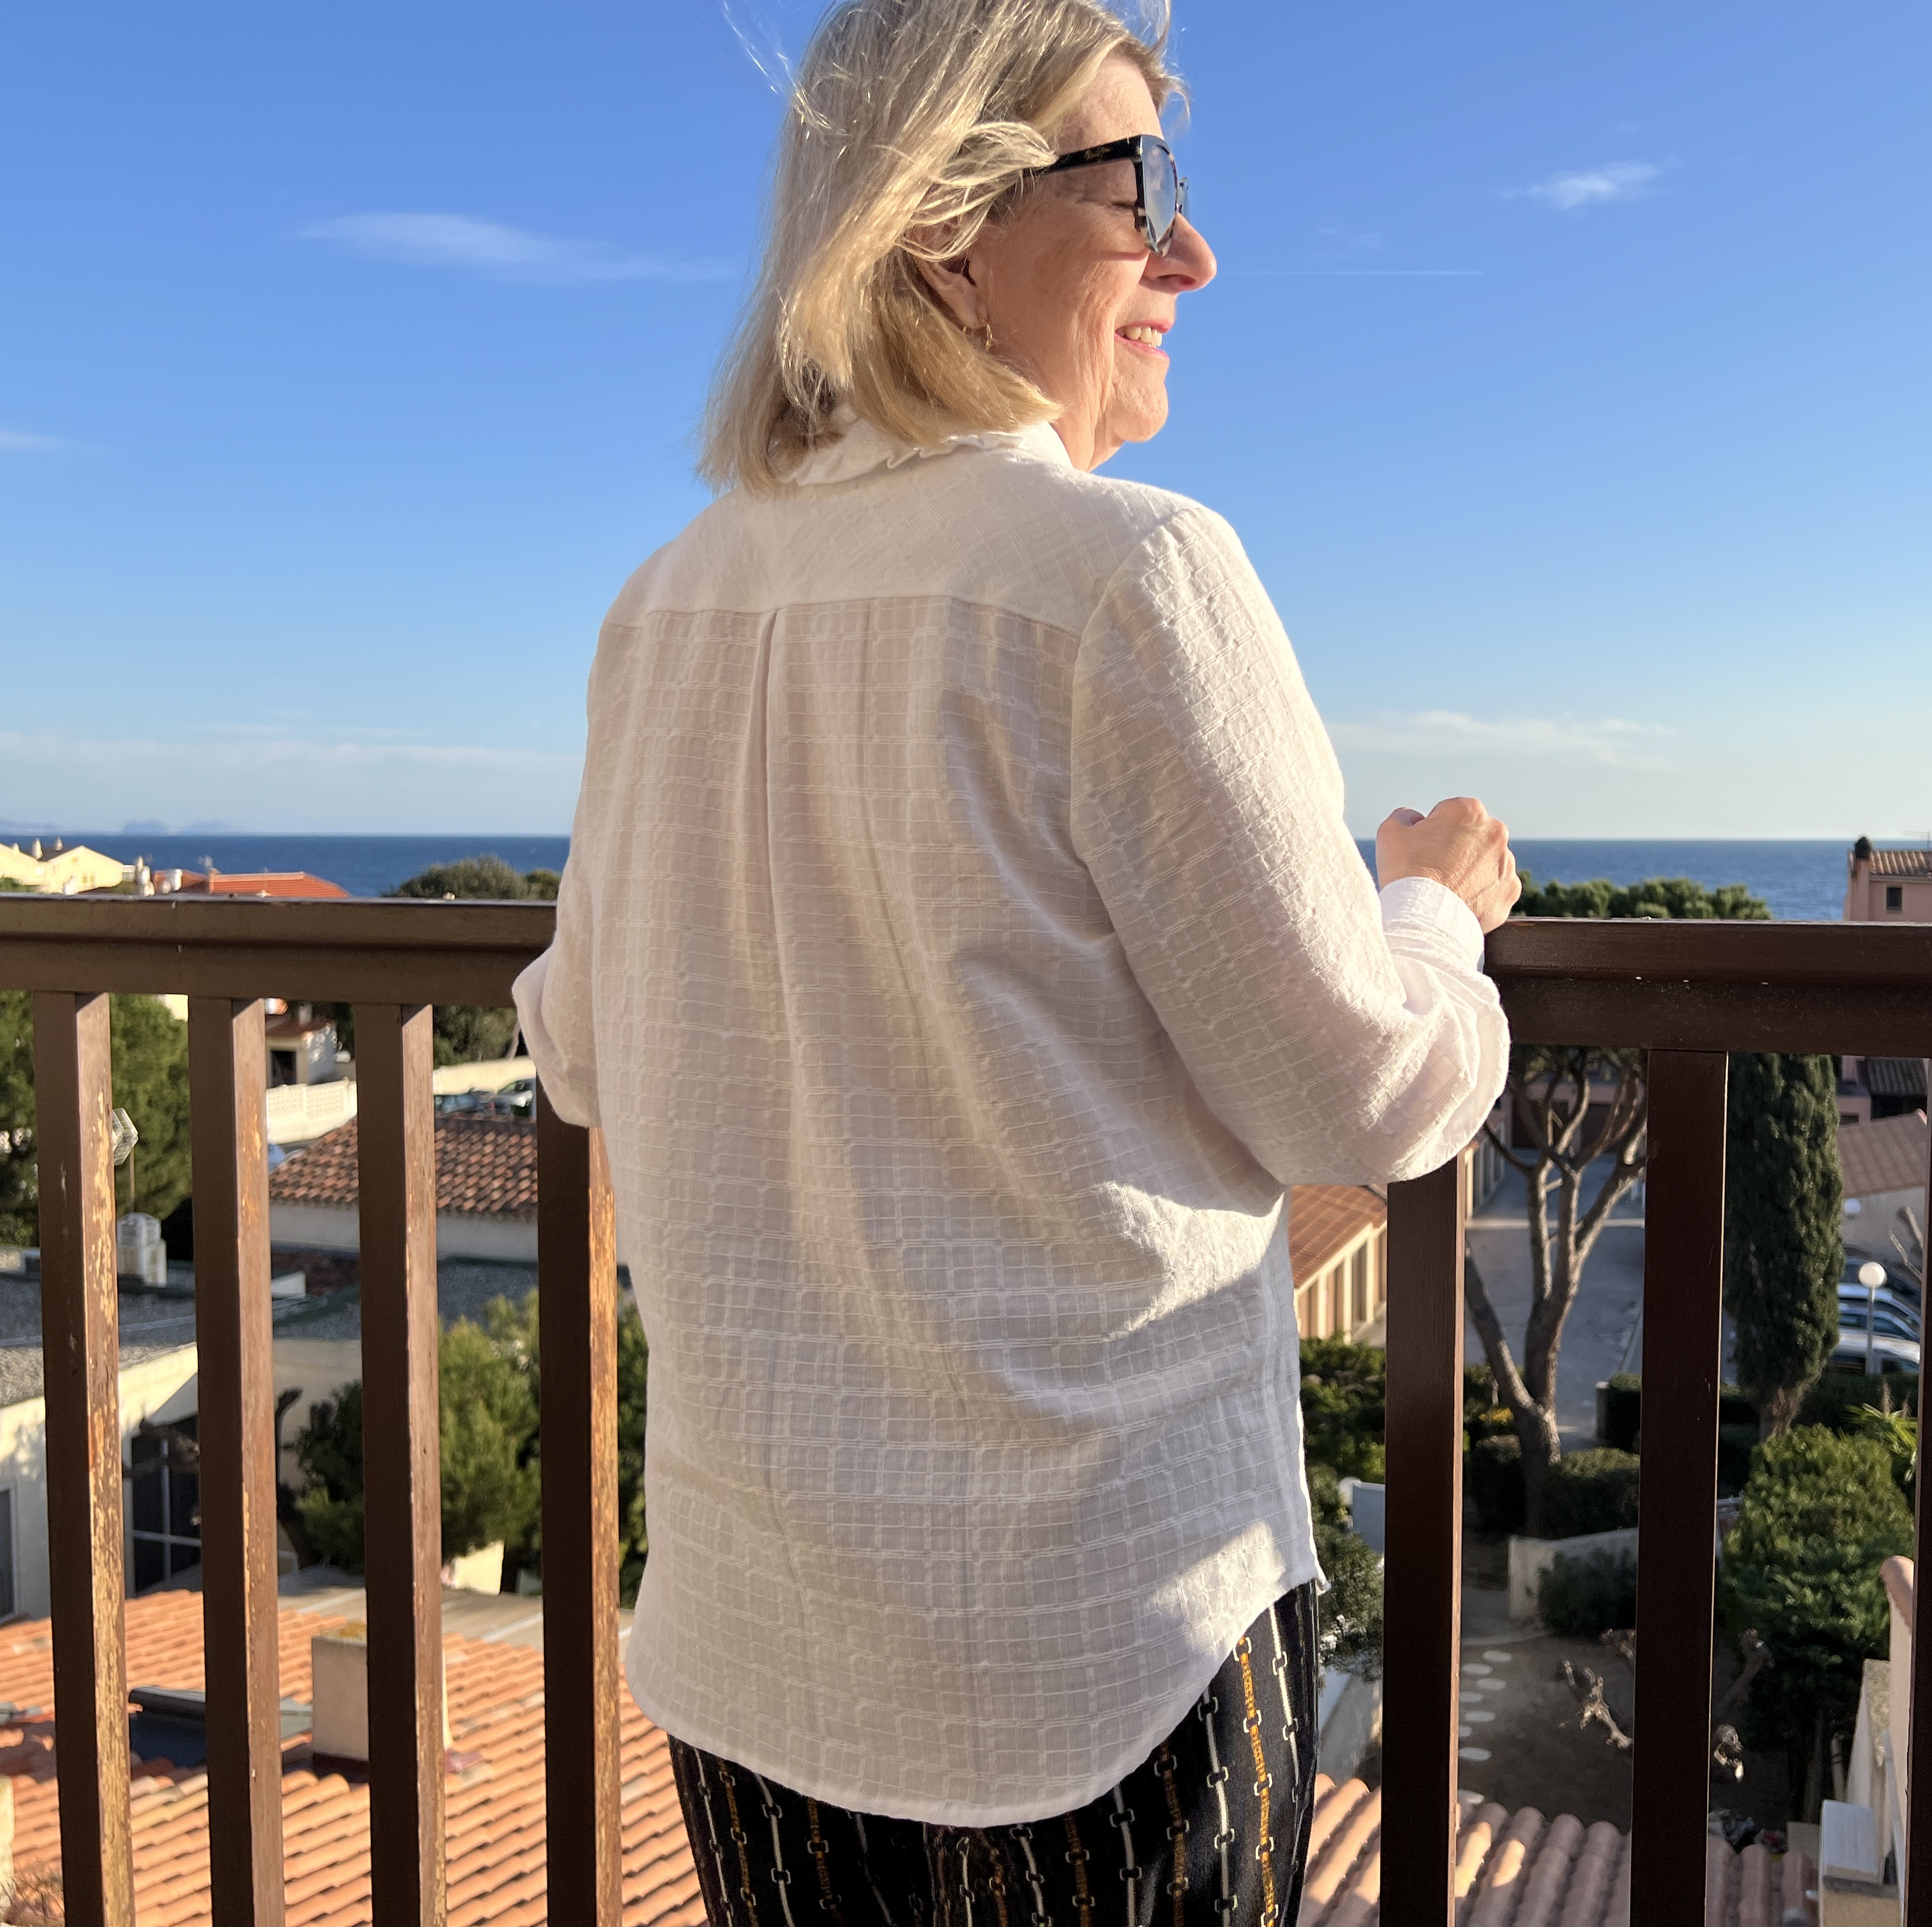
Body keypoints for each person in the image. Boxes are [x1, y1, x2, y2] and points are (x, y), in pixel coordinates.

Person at [512, 0, 1517, 1914]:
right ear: (938, 228)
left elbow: (575, 1045)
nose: (1190, 253)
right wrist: (1433, 910)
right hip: (1096, 1670)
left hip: (757, 1666)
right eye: (1136, 186)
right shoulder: (1127, 575)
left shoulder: (663, 608)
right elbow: (1367, 1096)